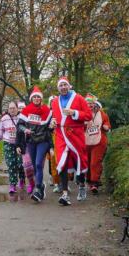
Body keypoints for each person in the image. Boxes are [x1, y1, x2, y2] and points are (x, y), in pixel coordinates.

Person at [49, 76, 91, 205]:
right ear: (58, 88)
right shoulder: (55, 101)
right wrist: (53, 122)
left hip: (76, 133)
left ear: (69, 86)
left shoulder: (78, 98)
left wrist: (74, 112)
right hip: (61, 134)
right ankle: (65, 194)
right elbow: (54, 118)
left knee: (80, 161)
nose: (63, 87)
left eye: (65, 85)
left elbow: (88, 115)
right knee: (61, 161)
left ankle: (82, 186)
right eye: (60, 85)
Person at [17, 86, 52, 202]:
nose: (37, 98)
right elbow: (20, 125)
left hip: (43, 141)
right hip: (31, 141)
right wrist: (25, 130)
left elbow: (50, 129)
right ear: (32, 99)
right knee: (34, 166)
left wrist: (51, 145)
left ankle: (37, 189)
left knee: (38, 164)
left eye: (38, 97)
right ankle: (40, 186)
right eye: (35, 97)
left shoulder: (47, 110)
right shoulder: (26, 110)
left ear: (41, 99)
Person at [0, 102, 23, 196]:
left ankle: (22, 179)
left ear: (17, 109)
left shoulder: (22, 118)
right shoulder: (4, 119)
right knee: (11, 164)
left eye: (14, 108)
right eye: (10, 108)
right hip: (8, 144)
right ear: (8, 109)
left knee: (20, 164)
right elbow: (0, 131)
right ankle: (12, 185)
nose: (12, 110)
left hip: (20, 144)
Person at [84, 95, 111, 194]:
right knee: (87, 163)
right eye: (87, 103)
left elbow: (107, 123)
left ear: (94, 103)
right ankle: (90, 180)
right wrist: (84, 124)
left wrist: (106, 127)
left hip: (99, 142)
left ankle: (94, 183)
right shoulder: (82, 114)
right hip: (86, 142)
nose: (90, 105)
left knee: (95, 162)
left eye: (91, 103)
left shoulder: (102, 114)